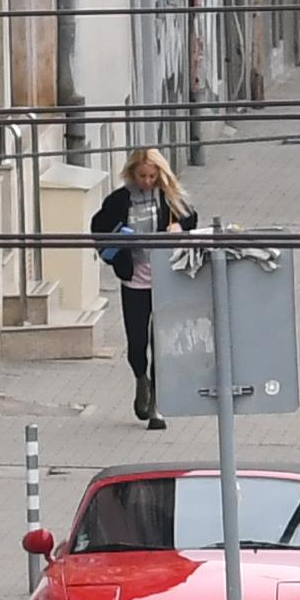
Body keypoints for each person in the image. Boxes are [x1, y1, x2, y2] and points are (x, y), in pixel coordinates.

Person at [90, 148, 195, 428]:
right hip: (134, 279)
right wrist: (118, 239)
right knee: (137, 344)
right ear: (132, 174)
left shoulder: (170, 199)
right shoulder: (119, 200)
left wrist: (180, 231)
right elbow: (98, 229)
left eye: (152, 176)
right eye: (142, 176)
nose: (147, 181)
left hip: (166, 281)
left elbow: (192, 221)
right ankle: (141, 379)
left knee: (161, 346)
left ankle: (156, 407)